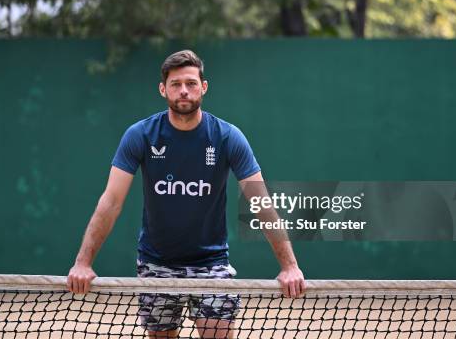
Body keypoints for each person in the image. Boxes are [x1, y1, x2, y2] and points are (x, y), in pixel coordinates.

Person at [67, 50, 305, 338]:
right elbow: (111, 202)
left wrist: (289, 266)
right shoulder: (140, 135)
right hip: (156, 266)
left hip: (211, 265)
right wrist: (83, 262)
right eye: (176, 83)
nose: (184, 90)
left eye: (191, 83)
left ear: (203, 87)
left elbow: (260, 202)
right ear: (162, 89)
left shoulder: (228, 137)